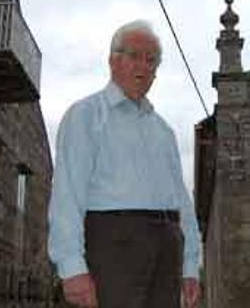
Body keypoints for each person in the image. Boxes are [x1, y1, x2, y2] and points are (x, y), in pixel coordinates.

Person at [48, 20, 202, 308]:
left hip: (168, 248)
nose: (143, 67)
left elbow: (182, 201)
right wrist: (71, 267)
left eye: (152, 60)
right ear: (113, 61)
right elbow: (67, 195)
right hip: (113, 245)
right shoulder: (85, 116)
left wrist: (191, 265)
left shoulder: (164, 131)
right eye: (134, 56)